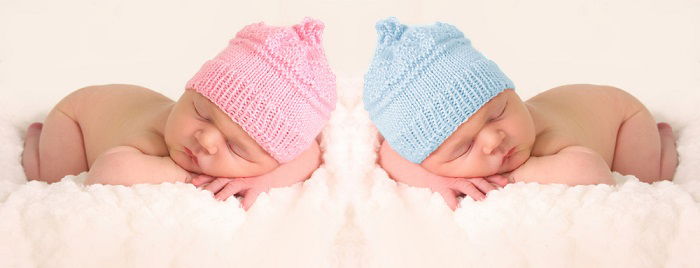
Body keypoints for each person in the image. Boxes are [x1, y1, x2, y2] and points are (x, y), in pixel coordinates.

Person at [21, 18, 336, 210]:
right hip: (76, 117)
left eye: (237, 148)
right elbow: (109, 170)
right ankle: (38, 143)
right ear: (189, 90)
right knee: (56, 182)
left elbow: (310, 152)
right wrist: (192, 177)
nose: (206, 140)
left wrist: (266, 180)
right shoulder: (154, 141)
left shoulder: (276, 153)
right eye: (201, 112)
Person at [364, 17, 677, 210]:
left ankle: (663, 143)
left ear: (511, 92)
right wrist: (432, 181)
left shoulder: (546, 139)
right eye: (464, 147)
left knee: (644, 182)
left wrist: (509, 177)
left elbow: (592, 171)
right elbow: (389, 152)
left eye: (498, 113)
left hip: (623, 118)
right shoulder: (423, 152)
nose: (493, 140)